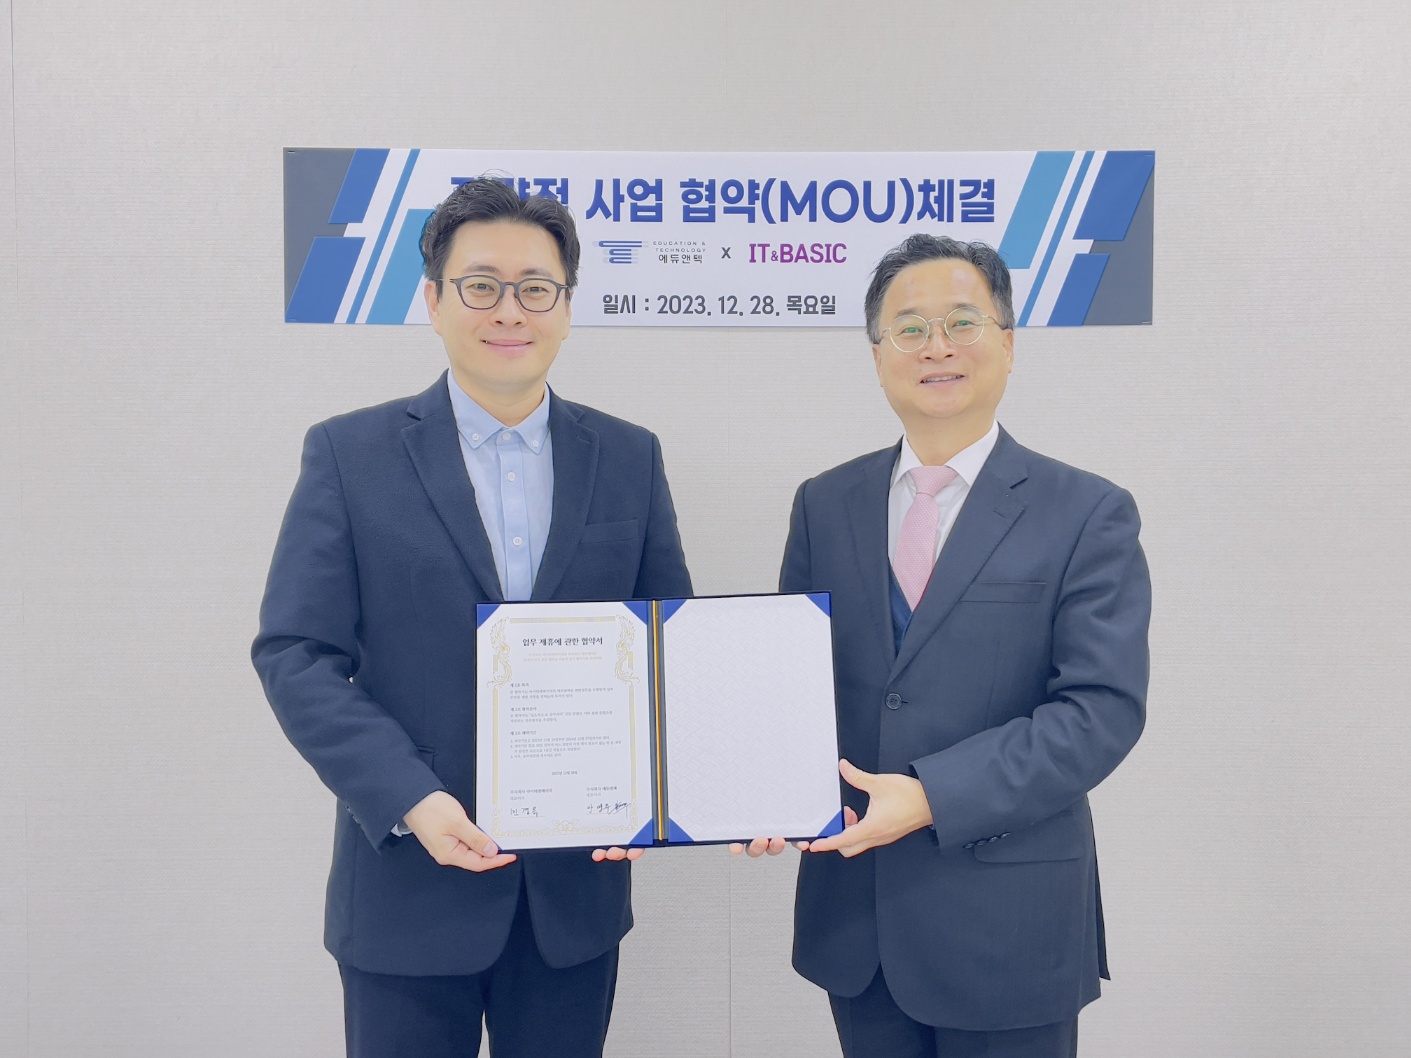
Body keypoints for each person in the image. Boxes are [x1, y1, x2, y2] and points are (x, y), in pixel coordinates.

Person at [252, 176, 691, 1058]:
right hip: (407, 886)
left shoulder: (628, 456)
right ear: (433, 300)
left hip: (572, 896)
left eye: (536, 288)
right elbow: (295, 651)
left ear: (566, 307)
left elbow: (668, 645)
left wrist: (653, 794)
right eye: (480, 285)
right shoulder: (349, 453)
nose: (509, 310)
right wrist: (409, 798)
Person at [736, 235, 1150, 1057]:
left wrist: (932, 795)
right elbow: (792, 689)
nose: (936, 347)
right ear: (877, 354)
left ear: (1007, 342)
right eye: (909, 328)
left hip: (1010, 927)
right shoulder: (824, 503)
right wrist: (757, 791)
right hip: (858, 922)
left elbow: (1099, 713)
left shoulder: (1086, 511)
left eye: (962, 322)